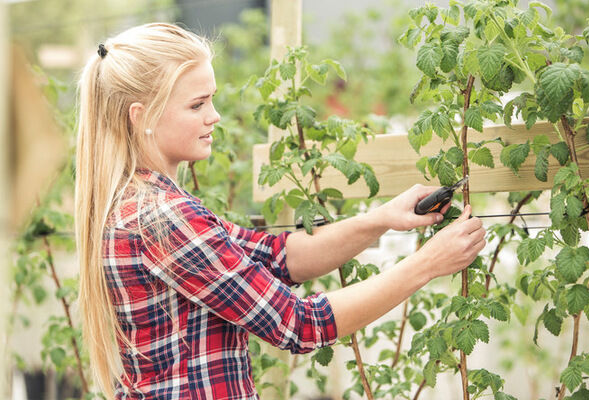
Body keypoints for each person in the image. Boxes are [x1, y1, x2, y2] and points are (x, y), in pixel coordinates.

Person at [74, 22, 485, 399]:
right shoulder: (162, 219)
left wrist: (381, 218)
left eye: (211, 100)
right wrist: (428, 263)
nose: (214, 116)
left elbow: (276, 257)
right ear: (140, 116)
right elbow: (300, 324)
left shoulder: (143, 203)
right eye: (197, 105)